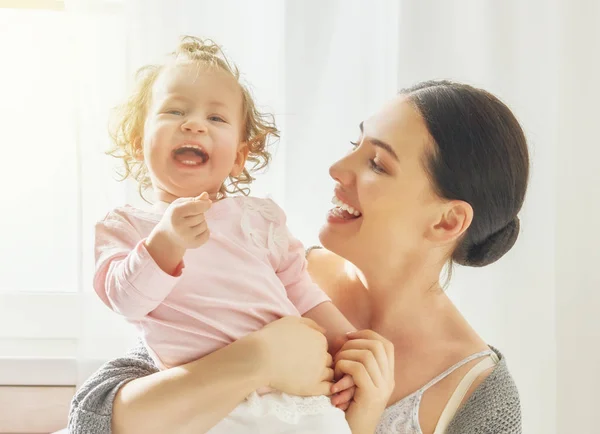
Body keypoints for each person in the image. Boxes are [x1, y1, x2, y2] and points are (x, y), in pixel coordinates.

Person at [70, 79, 528, 434]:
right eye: (356, 145)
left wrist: (360, 425)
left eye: (377, 164)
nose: (337, 169)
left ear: (447, 222)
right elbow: (93, 417)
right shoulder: (271, 268)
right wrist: (259, 358)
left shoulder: (477, 394)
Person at [92, 35, 356, 434]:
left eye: (216, 119)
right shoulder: (126, 226)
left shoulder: (260, 219)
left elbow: (303, 293)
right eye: (174, 110)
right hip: (207, 405)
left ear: (238, 157)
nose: (194, 123)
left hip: (295, 397)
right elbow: (126, 302)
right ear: (137, 140)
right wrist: (166, 242)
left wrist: (349, 345)